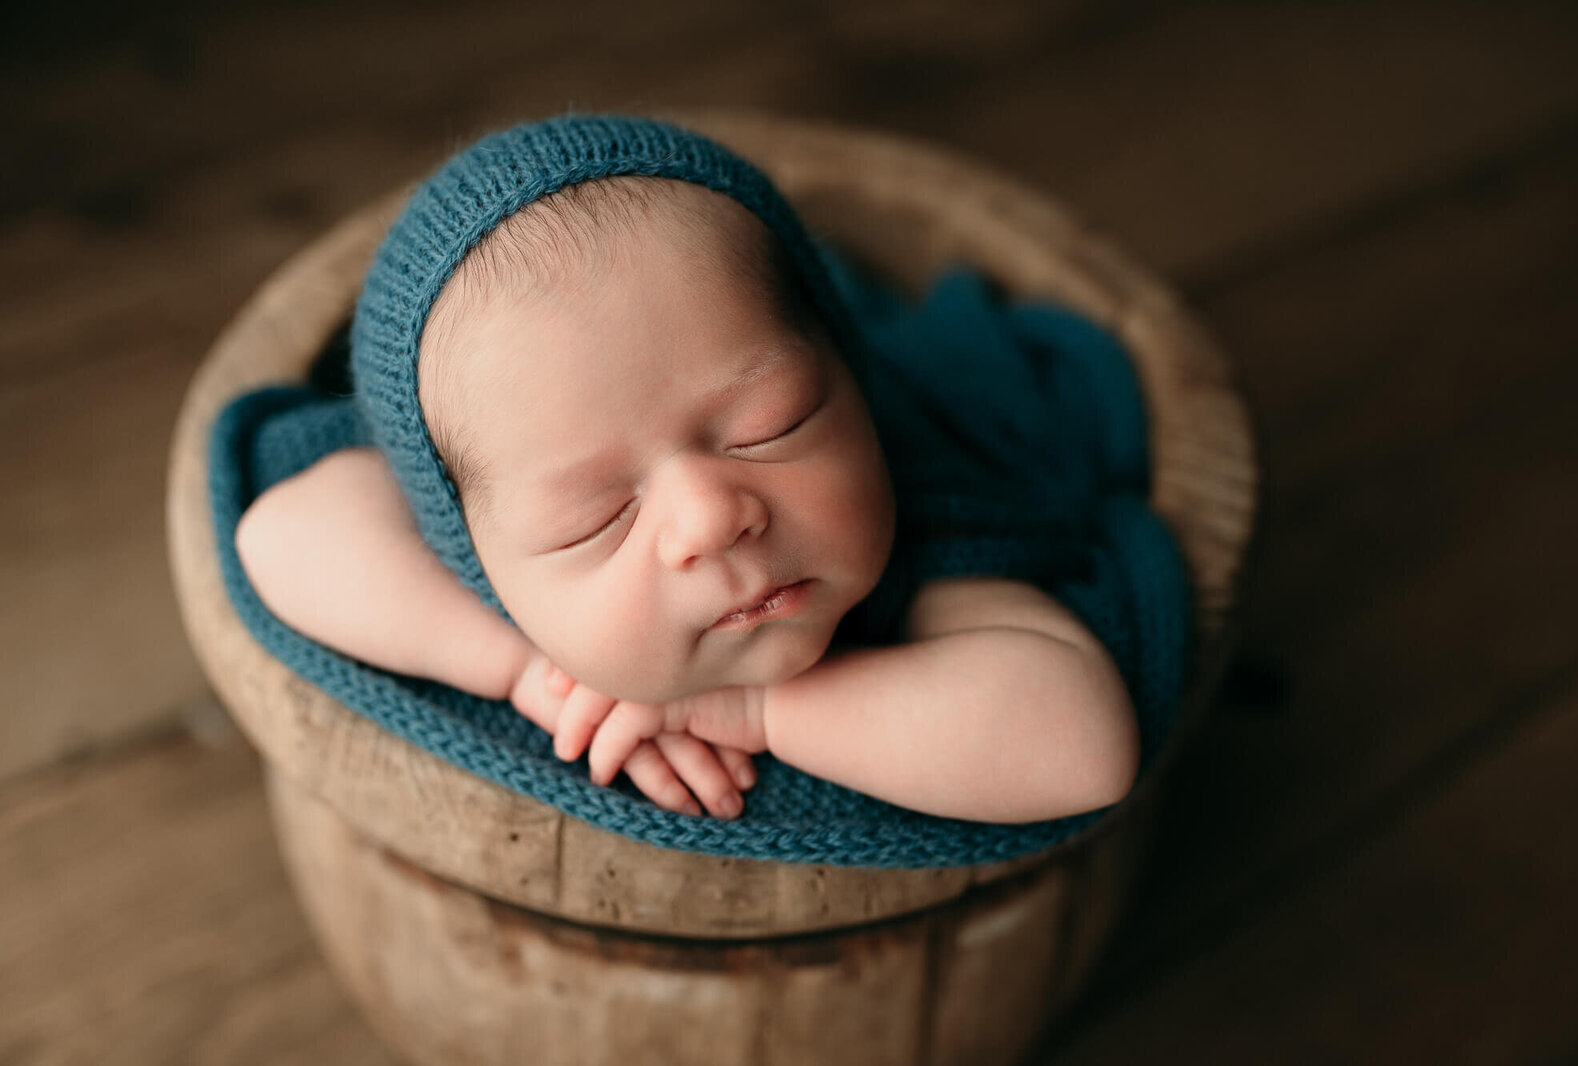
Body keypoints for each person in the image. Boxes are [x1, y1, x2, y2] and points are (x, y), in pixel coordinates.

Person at [234, 123, 1141, 829]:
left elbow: (1081, 748)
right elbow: (281, 531)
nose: (710, 517)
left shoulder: (935, 513)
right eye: (594, 518)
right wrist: (527, 671)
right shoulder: (484, 526)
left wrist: (758, 711)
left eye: (769, 425)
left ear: (847, 370)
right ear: (467, 544)